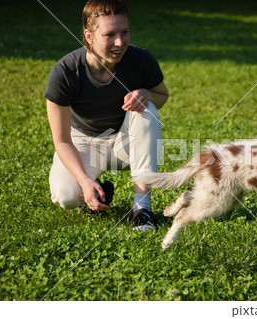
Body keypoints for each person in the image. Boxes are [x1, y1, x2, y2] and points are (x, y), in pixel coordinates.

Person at [44, 0, 168, 230]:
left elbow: (162, 96)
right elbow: (61, 141)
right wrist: (84, 180)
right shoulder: (64, 72)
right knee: (66, 196)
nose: (120, 42)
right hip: (84, 142)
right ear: (89, 36)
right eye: (109, 34)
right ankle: (99, 191)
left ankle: (142, 210)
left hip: (126, 142)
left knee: (147, 109)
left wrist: (146, 95)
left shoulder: (141, 60)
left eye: (125, 32)